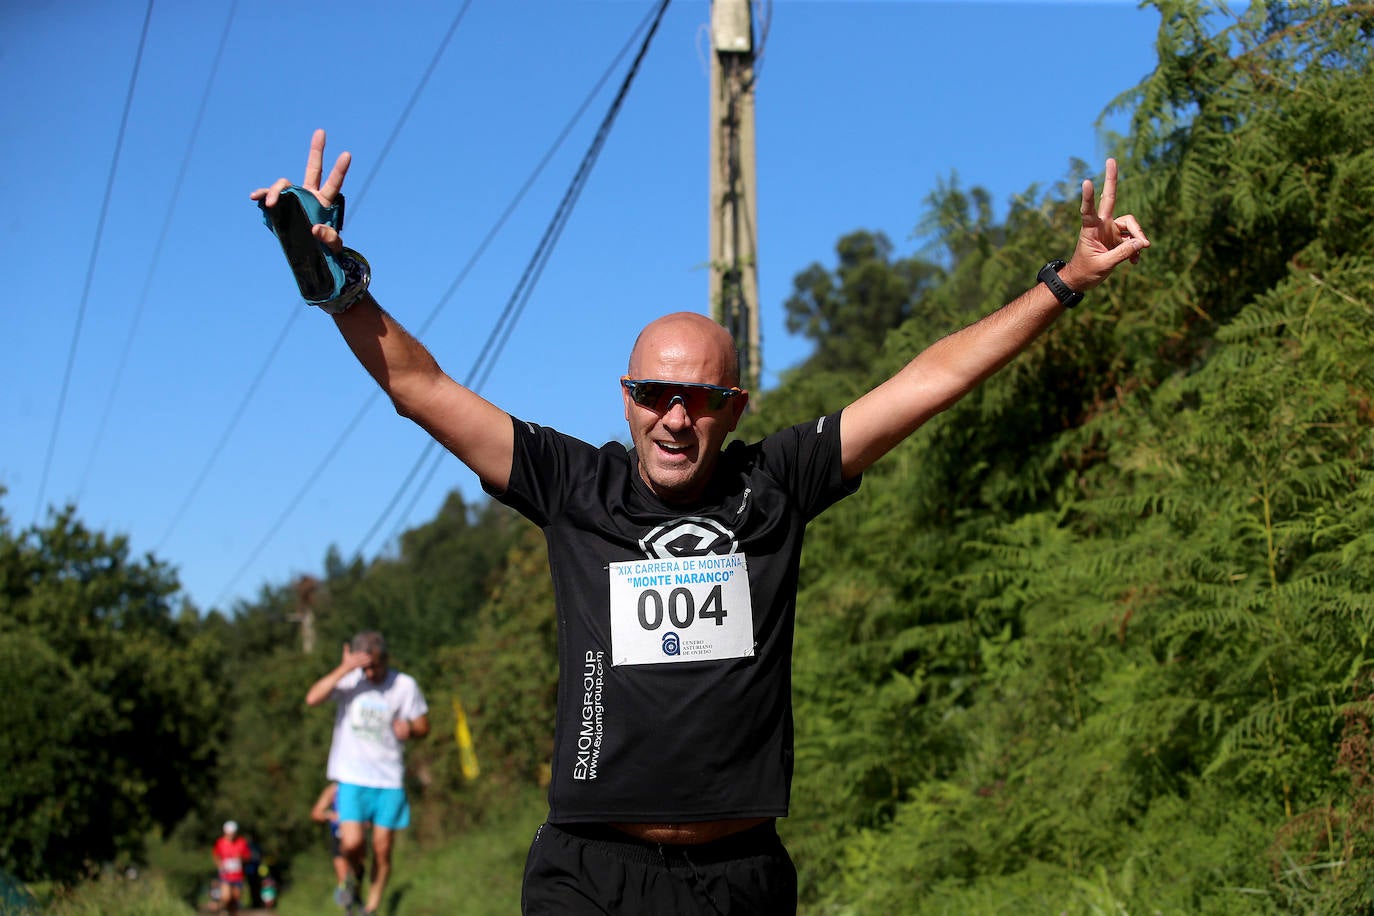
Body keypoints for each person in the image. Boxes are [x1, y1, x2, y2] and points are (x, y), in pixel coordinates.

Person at [255, 130, 1148, 914]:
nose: (676, 419)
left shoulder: (780, 480)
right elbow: (422, 389)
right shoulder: (572, 483)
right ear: (627, 398)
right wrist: (338, 290)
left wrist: (1065, 280)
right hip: (588, 873)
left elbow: (932, 380)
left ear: (736, 405)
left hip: (739, 877)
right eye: (655, 395)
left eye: (703, 398)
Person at [306, 631, 431, 915]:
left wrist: (411, 729)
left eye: (376, 665)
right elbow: (312, 698)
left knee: (383, 849)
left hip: (388, 780)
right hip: (351, 778)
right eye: (365, 667)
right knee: (351, 843)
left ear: (386, 659)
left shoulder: (404, 685)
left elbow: (424, 726)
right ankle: (350, 879)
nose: (371, 672)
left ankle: (370, 908)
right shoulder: (350, 680)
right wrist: (345, 668)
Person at [311, 781, 360, 910]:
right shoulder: (333, 789)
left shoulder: (360, 785)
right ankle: (348, 909)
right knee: (343, 877)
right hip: (338, 836)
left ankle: (359, 902)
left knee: (357, 874)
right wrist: (329, 815)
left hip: (357, 837)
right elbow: (316, 813)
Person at [211, 820, 252, 914]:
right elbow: (216, 855)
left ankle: (231, 912)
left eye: (232, 834)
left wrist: (241, 858)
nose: (231, 836)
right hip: (225, 875)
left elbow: (248, 857)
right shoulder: (220, 843)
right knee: (226, 896)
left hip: (238, 875)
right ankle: (222, 910)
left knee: (235, 898)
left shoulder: (242, 842)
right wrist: (219, 864)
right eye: (229, 834)